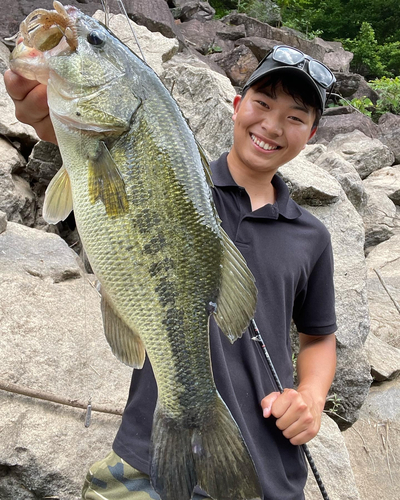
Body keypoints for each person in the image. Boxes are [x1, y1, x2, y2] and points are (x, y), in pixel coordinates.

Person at [5, 44, 337, 500]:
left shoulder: (312, 235)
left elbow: (318, 336)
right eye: (262, 104)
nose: (272, 126)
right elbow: (80, 138)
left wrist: (313, 397)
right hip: (148, 458)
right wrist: (48, 109)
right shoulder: (168, 172)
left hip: (269, 470)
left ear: (312, 134)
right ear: (237, 106)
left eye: (296, 117)